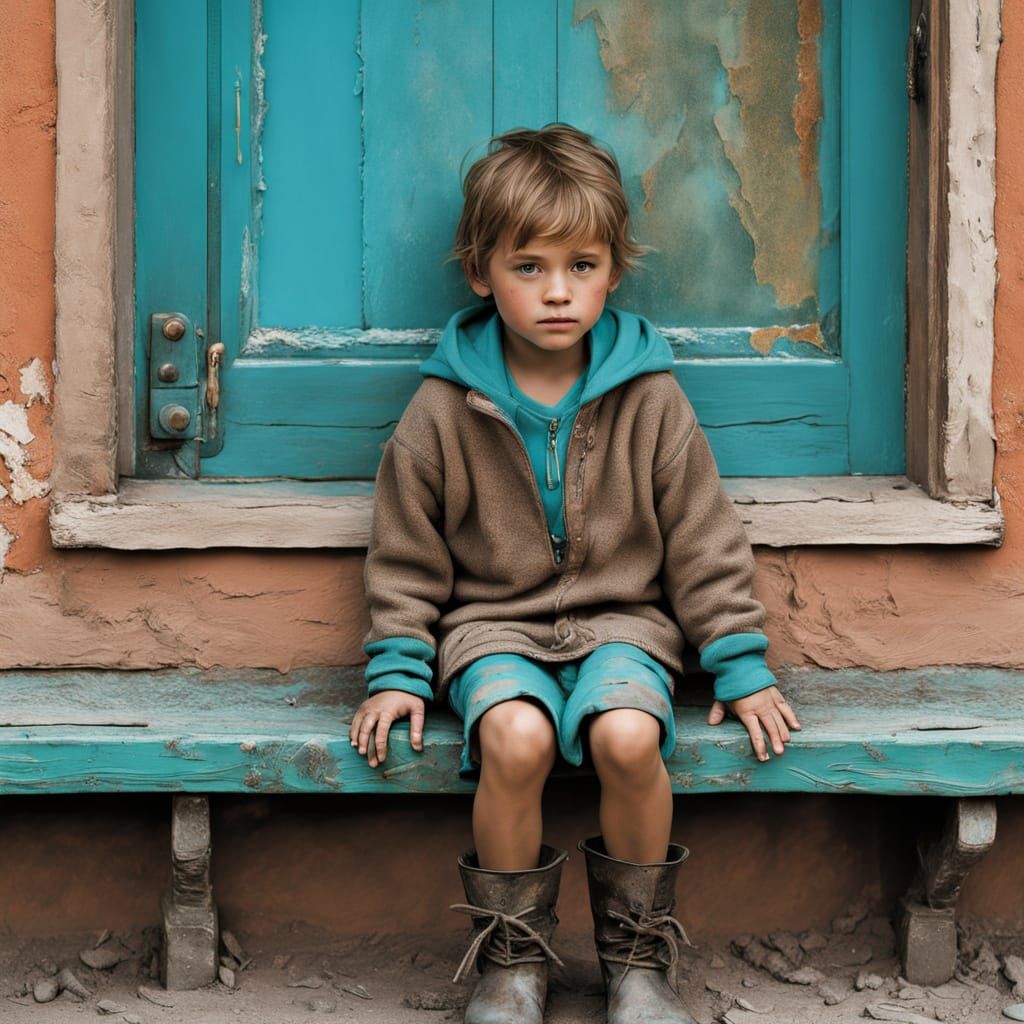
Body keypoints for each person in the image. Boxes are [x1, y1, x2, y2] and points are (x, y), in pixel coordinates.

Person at [349, 124, 801, 1024]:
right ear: (480, 272)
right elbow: (404, 553)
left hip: (625, 626)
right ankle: (513, 961)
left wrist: (739, 663)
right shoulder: (442, 410)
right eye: (529, 267)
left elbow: (703, 537)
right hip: (492, 629)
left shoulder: (650, 398)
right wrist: (398, 669)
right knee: (513, 739)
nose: (558, 291)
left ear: (613, 271)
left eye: (582, 265)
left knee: (629, 737)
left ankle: (637, 961)